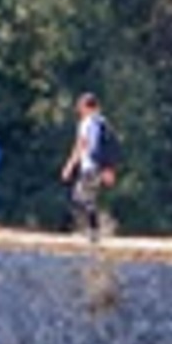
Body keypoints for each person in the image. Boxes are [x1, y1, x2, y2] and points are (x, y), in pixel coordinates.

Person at [59, 93, 115, 243]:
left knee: (81, 197)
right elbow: (110, 147)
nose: (79, 110)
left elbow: (80, 145)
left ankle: (94, 230)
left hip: (90, 165)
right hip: (100, 165)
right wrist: (109, 168)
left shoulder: (86, 123)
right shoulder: (103, 123)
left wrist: (69, 166)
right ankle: (95, 228)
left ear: (87, 107)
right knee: (87, 197)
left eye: (81, 107)